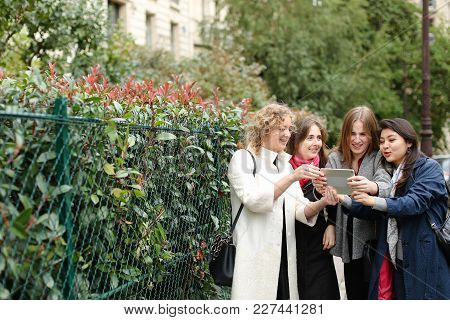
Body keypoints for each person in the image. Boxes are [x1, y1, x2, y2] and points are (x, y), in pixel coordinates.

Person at [227, 103, 339, 300]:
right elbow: (254, 200)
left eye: (289, 129)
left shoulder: (285, 166)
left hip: (285, 264)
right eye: (281, 128)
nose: (287, 134)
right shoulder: (243, 159)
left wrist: (324, 201)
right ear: (265, 129)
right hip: (256, 260)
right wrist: (292, 177)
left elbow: (300, 210)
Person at [340, 118, 450, 299]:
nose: (385, 146)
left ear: (409, 142)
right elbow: (377, 210)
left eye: (391, 140)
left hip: (425, 261)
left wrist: (373, 201)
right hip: (395, 262)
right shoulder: (393, 173)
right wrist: (343, 199)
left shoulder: (429, 168)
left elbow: (413, 203)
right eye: (382, 142)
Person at [314, 106, 392, 299]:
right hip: (346, 235)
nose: (357, 140)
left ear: (371, 135)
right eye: (352, 133)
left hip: (371, 238)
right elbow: (330, 196)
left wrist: (371, 185)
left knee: (375, 293)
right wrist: (330, 223)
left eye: (363, 134)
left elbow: (386, 185)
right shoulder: (336, 158)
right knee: (353, 292)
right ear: (345, 134)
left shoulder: (378, 157)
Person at [286, 115, 340, 299]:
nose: (316, 143)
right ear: (296, 139)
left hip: (317, 241)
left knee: (322, 293)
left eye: (319, 138)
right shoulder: (284, 167)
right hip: (289, 241)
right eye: (310, 137)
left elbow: (336, 199)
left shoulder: (325, 166)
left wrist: (332, 224)